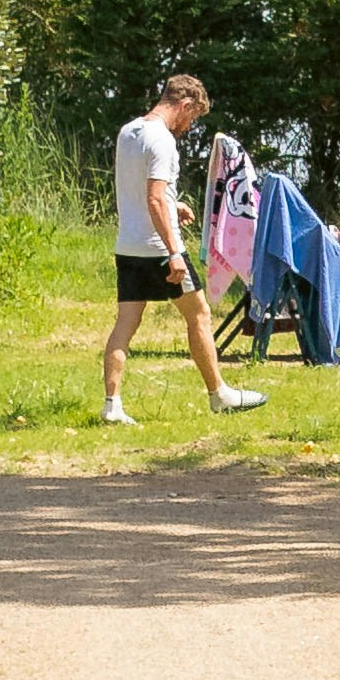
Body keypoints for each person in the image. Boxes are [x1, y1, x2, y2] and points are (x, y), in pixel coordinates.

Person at [105, 72, 265, 424]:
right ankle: (219, 394)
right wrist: (174, 251)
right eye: (192, 117)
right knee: (200, 315)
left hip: (128, 245)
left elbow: (140, 188)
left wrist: (173, 203)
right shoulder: (162, 140)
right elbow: (153, 197)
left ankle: (112, 405)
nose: (189, 125)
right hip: (159, 250)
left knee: (126, 324)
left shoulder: (129, 131)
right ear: (185, 104)